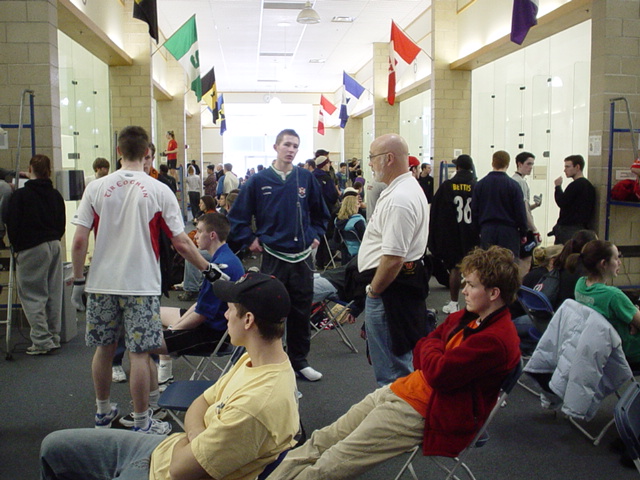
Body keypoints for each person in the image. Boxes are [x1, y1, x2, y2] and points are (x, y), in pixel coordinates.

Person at [270, 246, 521, 480]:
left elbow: (437, 371)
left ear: (494, 293)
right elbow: (427, 342)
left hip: (425, 411)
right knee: (321, 440)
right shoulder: (469, 316)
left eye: (471, 285)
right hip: (404, 391)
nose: (463, 289)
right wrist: (432, 352)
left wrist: (430, 352)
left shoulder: (496, 339)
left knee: (330, 463)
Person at [40, 272, 300, 480]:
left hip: (159, 471)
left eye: (230, 308)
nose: (225, 314)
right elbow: (201, 402)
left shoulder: (256, 406)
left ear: (248, 320)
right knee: (52, 447)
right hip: (162, 449)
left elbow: (179, 471)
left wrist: (193, 437)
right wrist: (197, 438)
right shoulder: (254, 360)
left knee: (57, 456)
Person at [70, 126, 224, 433]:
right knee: (140, 355)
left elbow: (78, 241)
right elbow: (181, 242)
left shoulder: (96, 188)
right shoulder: (158, 190)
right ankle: (141, 421)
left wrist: (77, 281)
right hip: (141, 286)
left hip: (101, 284)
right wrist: (208, 268)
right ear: (146, 155)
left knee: (103, 350)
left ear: (117, 152)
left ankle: (102, 413)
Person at [228, 129, 330, 382]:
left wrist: (316, 233)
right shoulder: (258, 180)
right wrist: (249, 240)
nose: (291, 149)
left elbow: (321, 213)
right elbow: (237, 217)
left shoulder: (305, 178)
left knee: (301, 310)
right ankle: (272, 362)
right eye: (287, 144)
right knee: (270, 312)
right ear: (276, 147)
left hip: (302, 257)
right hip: (273, 255)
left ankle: (300, 361)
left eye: (295, 146)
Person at [357, 133, 430, 386]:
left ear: (388, 159)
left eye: (372, 158)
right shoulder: (402, 189)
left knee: (392, 373)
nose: (369, 164)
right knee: (396, 366)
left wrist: (374, 291)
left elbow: (393, 258)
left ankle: (396, 421)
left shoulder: (400, 199)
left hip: (389, 292)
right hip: (396, 289)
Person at [152, 213, 244, 403]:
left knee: (140, 346)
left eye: (200, 231)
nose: (195, 236)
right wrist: (175, 327)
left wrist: (174, 330)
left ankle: (152, 403)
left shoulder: (221, 266)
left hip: (213, 334)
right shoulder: (223, 258)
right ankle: (165, 377)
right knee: (154, 314)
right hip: (214, 322)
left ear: (212, 235)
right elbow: (200, 304)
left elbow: (202, 315)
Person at [6, 154, 65, 355]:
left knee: (33, 295)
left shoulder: (20, 196)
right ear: (48, 171)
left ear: (30, 170)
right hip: (55, 244)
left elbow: (12, 223)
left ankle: (41, 340)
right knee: (53, 293)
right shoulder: (55, 194)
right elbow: (61, 223)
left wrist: (16, 246)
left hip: (31, 247)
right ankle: (54, 336)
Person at [570, 239, 640, 368]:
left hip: (598, 348)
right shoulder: (613, 296)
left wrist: (631, 319)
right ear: (603, 263)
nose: (619, 262)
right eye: (616, 258)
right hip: (629, 352)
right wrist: (634, 321)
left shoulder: (580, 284)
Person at [428, 154, 479, 314]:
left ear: (457, 168)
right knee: (474, 268)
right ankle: (476, 303)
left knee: (455, 269)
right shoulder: (476, 185)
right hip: (472, 232)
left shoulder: (447, 186)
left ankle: (454, 303)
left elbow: (436, 212)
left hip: (453, 234)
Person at [471, 150, 528, 259]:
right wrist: (523, 232)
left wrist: (478, 231)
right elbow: (520, 212)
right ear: (508, 164)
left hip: (487, 230)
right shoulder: (514, 185)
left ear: (492, 163)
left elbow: (474, 210)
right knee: (508, 265)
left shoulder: (480, 185)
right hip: (509, 231)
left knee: (488, 265)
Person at [552, 154, 596, 245]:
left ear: (577, 167)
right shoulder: (588, 185)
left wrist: (558, 187)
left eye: (568, 166)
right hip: (581, 227)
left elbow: (562, 202)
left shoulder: (576, 185)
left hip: (568, 228)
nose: (565, 170)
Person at [512, 152, 543, 277]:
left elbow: (522, 208)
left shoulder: (514, 180)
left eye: (532, 164)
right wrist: (534, 229)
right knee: (525, 262)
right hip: (524, 228)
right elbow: (524, 210)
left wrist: (534, 205)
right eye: (528, 164)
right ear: (519, 164)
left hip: (517, 227)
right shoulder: (520, 182)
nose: (531, 167)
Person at [333, 189, 366, 262]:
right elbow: (365, 240)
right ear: (353, 205)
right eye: (357, 204)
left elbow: (336, 240)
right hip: (361, 254)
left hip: (347, 253)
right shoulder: (358, 221)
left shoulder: (337, 221)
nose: (359, 206)